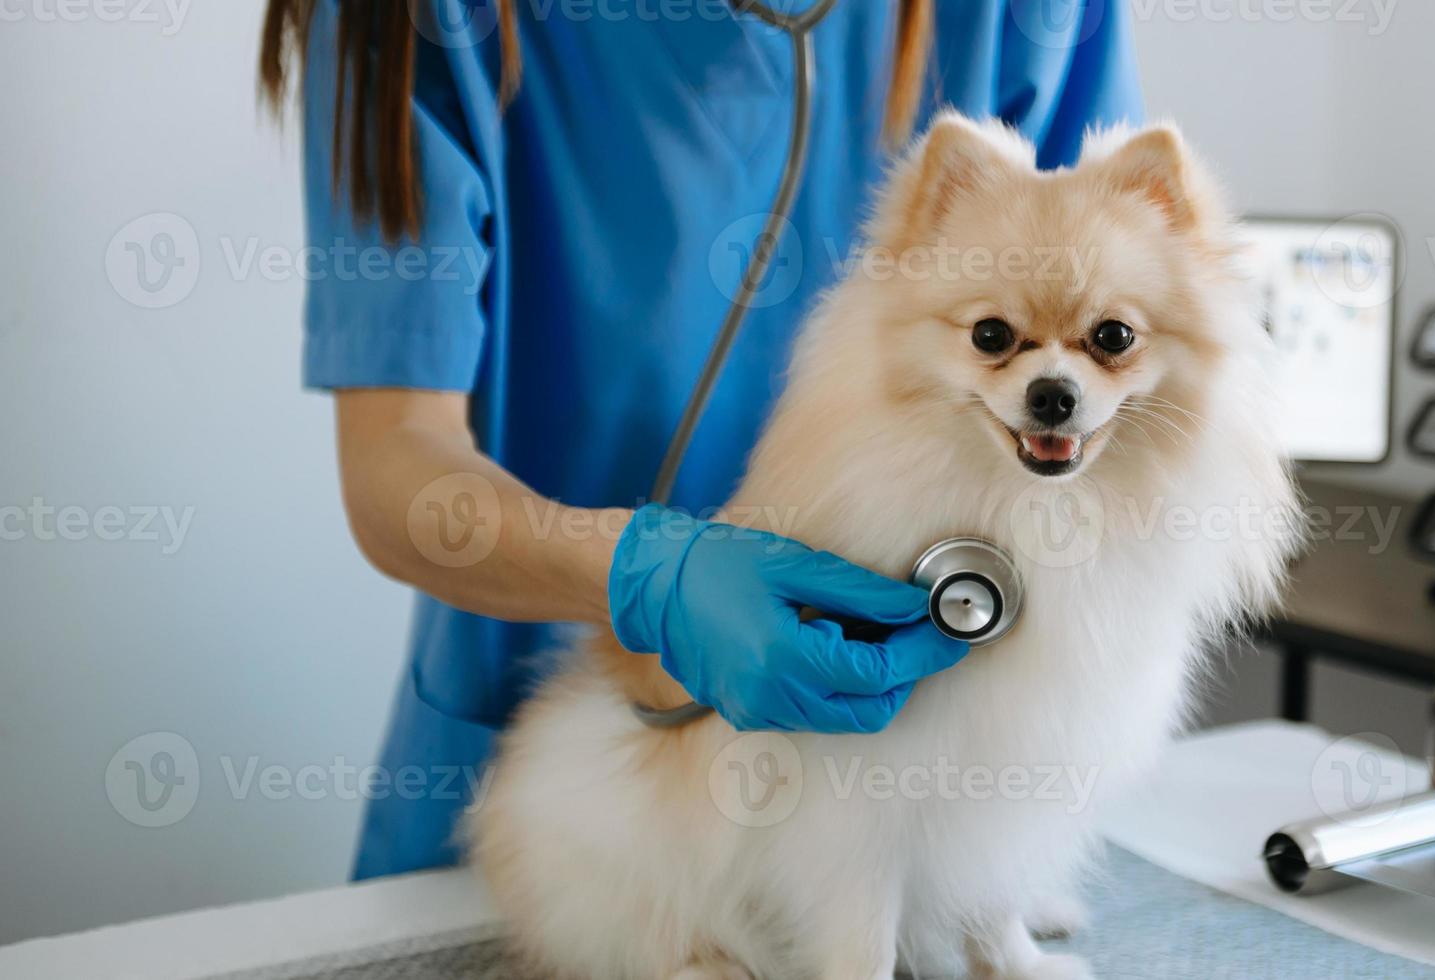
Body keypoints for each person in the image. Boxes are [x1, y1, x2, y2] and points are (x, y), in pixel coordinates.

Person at [258, 0, 1144, 880]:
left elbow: (1104, 337)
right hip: (551, 773)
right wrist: (644, 579)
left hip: (908, 797)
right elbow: (395, 466)